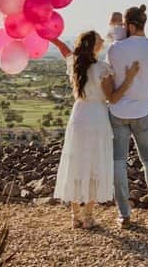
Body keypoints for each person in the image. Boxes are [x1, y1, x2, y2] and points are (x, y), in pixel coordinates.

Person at [50, 30, 140, 228]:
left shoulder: (75, 63)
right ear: (94, 46)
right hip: (97, 117)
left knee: (76, 162)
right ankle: (88, 216)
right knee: (93, 163)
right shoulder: (102, 68)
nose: (102, 41)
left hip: (79, 115)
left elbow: (64, 49)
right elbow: (113, 98)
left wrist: (53, 38)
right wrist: (130, 77)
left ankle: (75, 216)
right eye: (100, 40)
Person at [106, 4, 148, 228]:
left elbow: (114, 30)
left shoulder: (115, 49)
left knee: (118, 163)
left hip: (117, 112)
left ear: (130, 26)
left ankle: (124, 214)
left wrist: (119, 29)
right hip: (142, 112)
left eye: (126, 25)